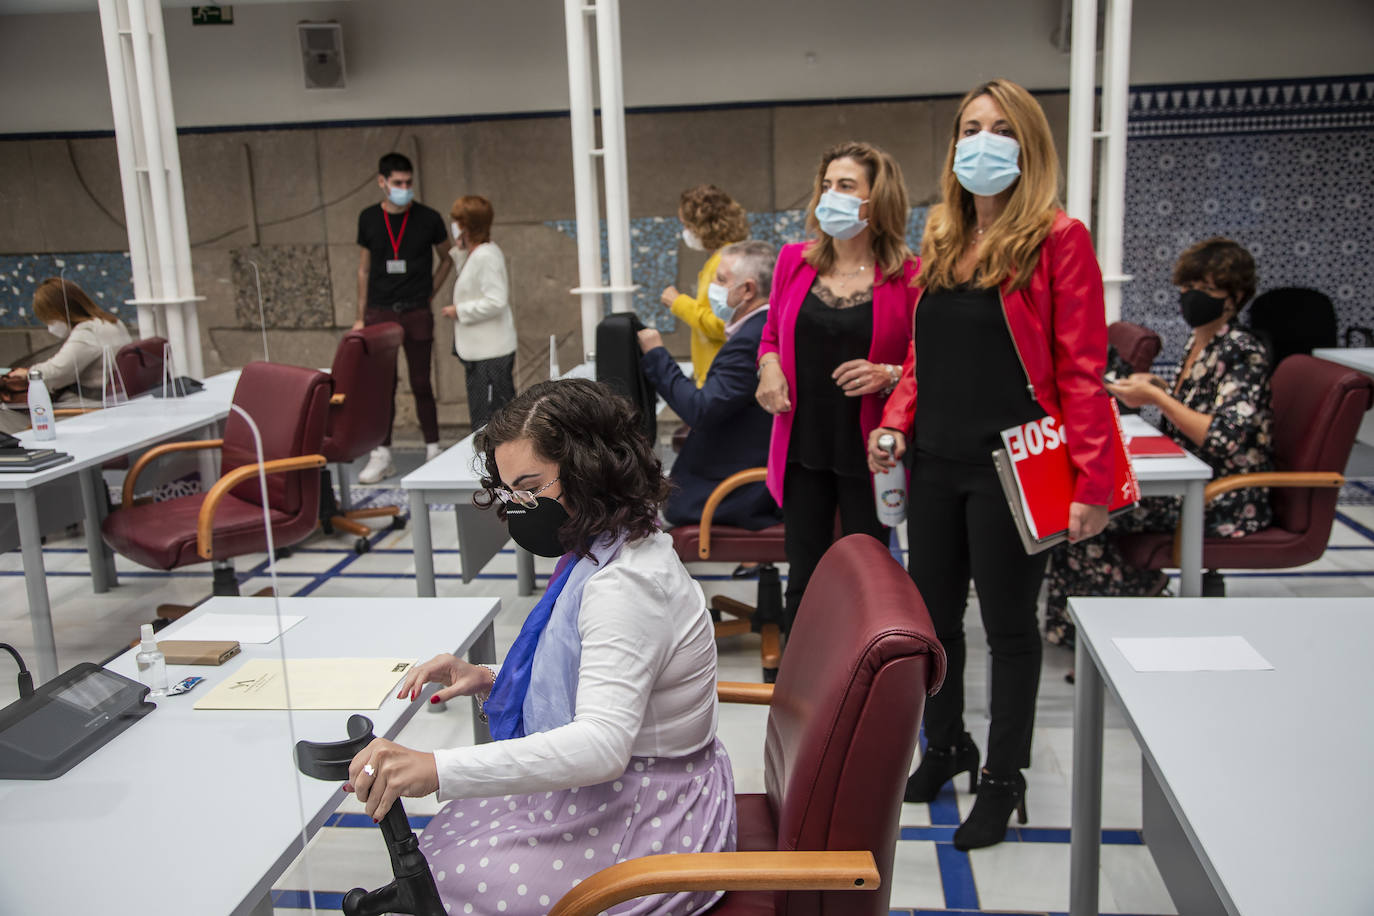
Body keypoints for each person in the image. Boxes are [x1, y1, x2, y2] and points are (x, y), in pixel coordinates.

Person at [344, 378, 736, 916]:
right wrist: (489, 675)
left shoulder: (625, 585)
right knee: (446, 848)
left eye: (529, 486)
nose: (520, 506)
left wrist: (439, 767)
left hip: (649, 815)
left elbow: (600, 744)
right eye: (510, 492)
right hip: (633, 784)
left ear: (589, 468)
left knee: (440, 879)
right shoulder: (609, 548)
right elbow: (603, 666)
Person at [866, 79, 1114, 850]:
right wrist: (895, 424)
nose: (982, 141)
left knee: (1009, 631)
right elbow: (920, 357)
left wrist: (1094, 482)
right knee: (934, 624)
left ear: (1029, 144)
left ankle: (1004, 780)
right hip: (935, 465)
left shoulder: (1057, 239)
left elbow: (1081, 370)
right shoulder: (940, 237)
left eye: (1001, 128)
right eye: (970, 127)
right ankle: (946, 746)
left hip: (1017, 468)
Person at [1045, 238, 1274, 641]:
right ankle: (1090, 627)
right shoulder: (1200, 341)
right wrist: (1158, 386)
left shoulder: (1241, 349)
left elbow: (1222, 436)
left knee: (1085, 522)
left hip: (1223, 497)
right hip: (1192, 481)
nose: (1190, 298)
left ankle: (1125, 612)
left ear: (1235, 297)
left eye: (1205, 289)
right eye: (1186, 288)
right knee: (1075, 512)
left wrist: (1158, 398)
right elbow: (1203, 403)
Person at [755, 141, 918, 627]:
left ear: (877, 199)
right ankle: (798, 696)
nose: (831, 195)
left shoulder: (908, 274)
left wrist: (886, 374)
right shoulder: (794, 261)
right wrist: (768, 366)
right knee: (803, 576)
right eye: (827, 185)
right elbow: (770, 336)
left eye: (846, 186)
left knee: (870, 575)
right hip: (803, 445)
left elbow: (923, 359)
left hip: (868, 451)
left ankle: (864, 689)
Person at [639, 239, 780, 529]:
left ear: (748, 290)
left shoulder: (751, 339)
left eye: (721, 279)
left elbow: (700, 409)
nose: (711, 288)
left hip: (735, 493)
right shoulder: (762, 329)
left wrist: (656, 354)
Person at [353, 152, 453, 482]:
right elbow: (364, 269)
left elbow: (447, 259)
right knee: (383, 386)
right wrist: (359, 316)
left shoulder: (428, 218)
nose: (404, 188)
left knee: (421, 382)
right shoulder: (368, 218)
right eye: (397, 183)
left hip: (415, 309)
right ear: (382, 182)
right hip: (379, 311)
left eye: (408, 182)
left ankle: (434, 449)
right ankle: (382, 454)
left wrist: (429, 294)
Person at [2, 278, 132, 432]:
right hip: (109, 400)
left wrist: (28, 372)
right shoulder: (113, 323)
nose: (49, 326)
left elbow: (56, 372)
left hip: (87, 404)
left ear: (60, 312)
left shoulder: (86, 333)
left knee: (5, 413)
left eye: (49, 319)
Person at [660, 185, 751, 387]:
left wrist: (678, 303)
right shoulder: (725, 257)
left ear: (702, 225)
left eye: (686, 225)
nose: (685, 232)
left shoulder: (726, 262)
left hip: (723, 376)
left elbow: (724, 325)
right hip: (721, 372)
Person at [441, 194, 517, 432]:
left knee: (492, 418)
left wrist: (460, 311)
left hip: (489, 352)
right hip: (481, 351)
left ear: (465, 225)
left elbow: (496, 300)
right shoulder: (479, 253)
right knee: (484, 415)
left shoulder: (486, 256)